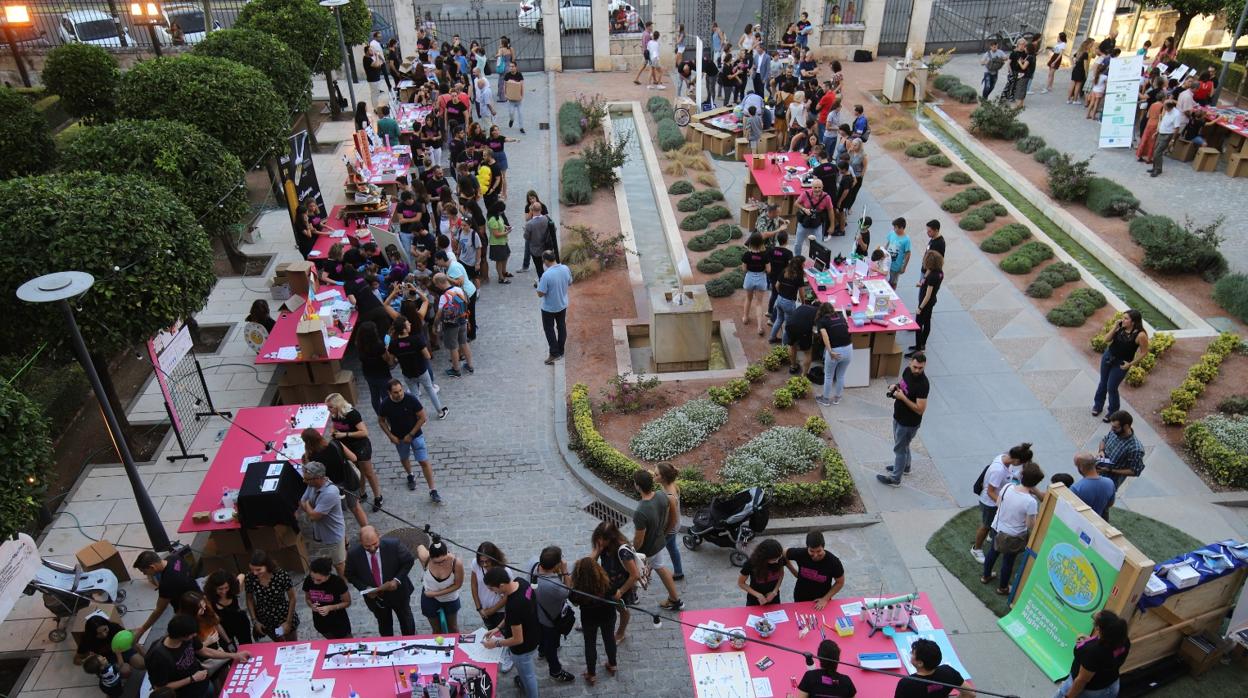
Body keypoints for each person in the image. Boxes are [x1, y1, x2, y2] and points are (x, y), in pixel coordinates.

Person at [146, 615, 249, 698]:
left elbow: (205, 651)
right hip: (185, 693)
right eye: (192, 635)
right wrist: (192, 679)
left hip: (203, 683)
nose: (195, 636)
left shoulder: (189, 637)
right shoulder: (158, 657)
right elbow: (160, 687)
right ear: (182, 636)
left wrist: (234, 655)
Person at [981, 461, 1043, 595]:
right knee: (1008, 562)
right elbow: (1030, 525)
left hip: (997, 528)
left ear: (1021, 475)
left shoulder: (1007, 487)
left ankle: (985, 576)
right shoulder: (1031, 502)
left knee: (992, 552)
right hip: (1014, 535)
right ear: (1035, 483)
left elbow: (998, 503)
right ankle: (1003, 587)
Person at [345, 526, 417, 637]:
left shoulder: (393, 545)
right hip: (376, 599)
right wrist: (364, 588)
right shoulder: (353, 554)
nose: (372, 548)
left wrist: (397, 580)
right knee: (384, 625)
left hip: (399, 594)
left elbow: (408, 561)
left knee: (406, 621)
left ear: (379, 536)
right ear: (361, 541)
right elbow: (350, 575)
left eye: (375, 544)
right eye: (367, 546)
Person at [482, 567, 541, 697]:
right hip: (533, 633)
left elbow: (517, 639)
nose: (492, 592)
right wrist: (498, 628)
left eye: (492, 589)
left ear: (501, 585)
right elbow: (511, 616)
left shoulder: (515, 605)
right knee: (526, 674)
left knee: (528, 676)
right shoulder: (521, 582)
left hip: (522, 648)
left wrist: (495, 643)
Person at [377, 378, 441, 500]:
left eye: (400, 390)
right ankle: (410, 475)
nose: (400, 394)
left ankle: (433, 490)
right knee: (404, 457)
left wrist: (411, 434)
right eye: (396, 392)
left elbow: (422, 417)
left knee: (423, 461)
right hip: (398, 437)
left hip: (416, 435)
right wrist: (390, 435)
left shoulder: (411, 399)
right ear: (389, 393)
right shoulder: (385, 404)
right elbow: (381, 421)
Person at [971, 443, 1033, 564]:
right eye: (1021, 463)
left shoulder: (1004, 457)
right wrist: (1003, 504)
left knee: (993, 523)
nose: (1020, 466)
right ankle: (976, 548)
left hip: (996, 500)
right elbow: (990, 492)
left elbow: (1007, 476)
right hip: (990, 503)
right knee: (985, 526)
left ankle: (990, 536)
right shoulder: (998, 470)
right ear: (1016, 460)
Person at [632, 470, 685, 610]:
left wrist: (632, 550)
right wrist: (664, 533)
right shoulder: (662, 496)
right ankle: (675, 599)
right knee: (660, 568)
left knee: (632, 571)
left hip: (647, 550)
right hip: (659, 543)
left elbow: (639, 540)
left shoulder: (640, 512)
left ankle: (632, 597)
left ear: (637, 486)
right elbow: (672, 518)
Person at [878, 354, 930, 487]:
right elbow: (902, 384)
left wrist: (902, 398)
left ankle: (895, 479)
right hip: (899, 416)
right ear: (909, 364)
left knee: (899, 449)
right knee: (904, 444)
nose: (917, 370)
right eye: (915, 367)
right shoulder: (907, 371)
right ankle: (905, 467)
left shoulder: (923, 385)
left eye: (920, 368)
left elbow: (920, 409)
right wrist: (895, 386)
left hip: (908, 423)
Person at [1054, 610, 1130, 698]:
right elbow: (1106, 655)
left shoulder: (1092, 651)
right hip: (1111, 686)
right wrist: (1091, 641)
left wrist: (1068, 697)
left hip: (1089, 692)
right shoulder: (1124, 641)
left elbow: (1082, 680)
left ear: (1099, 628)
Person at [326, 393, 382, 511]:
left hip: (360, 445)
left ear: (338, 405)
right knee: (357, 471)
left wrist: (345, 434)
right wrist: (333, 432)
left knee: (368, 472)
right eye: (328, 407)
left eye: (330, 407)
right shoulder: (335, 414)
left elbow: (364, 432)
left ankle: (378, 497)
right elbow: (334, 426)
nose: (328, 409)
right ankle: (362, 493)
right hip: (348, 447)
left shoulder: (352, 414)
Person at [568, 557, 618, 686]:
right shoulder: (607, 582)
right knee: (609, 639)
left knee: (590, 644)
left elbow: (574, 601)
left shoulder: (579, 588)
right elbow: (615, 593)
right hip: (608, 615)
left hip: (589, 618)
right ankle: (612, 664)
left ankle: (591, 673)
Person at [528, 546, 574, 683]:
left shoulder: (532, 563)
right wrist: (565, 571)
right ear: (556, 565)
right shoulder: (554, 585)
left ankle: (541, 650)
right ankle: (555, 671)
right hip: (550, 619)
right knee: (551, 645)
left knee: (542, 637)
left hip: (536, 613)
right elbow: (568, 591)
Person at [301, 431, 366, 528]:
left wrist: (306, 456)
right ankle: (367, 530)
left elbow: (308, 474)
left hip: (331, 488)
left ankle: (346, 542)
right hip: (348, 481)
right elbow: (354, 458)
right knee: (356, 507)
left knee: (337, 516)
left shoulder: (311, 458)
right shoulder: (335, 443)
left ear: (307, 443)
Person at [132, 550, 201, 642]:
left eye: (144, 571)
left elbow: (159, 610)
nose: (144, 574)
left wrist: (142, 629)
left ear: (152, 567)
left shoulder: (167, 583)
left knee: (176, 636)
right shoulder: (174, 558)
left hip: (188, 610)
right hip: (198, 595)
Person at [388, 315, 448, 420]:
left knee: (415, 395)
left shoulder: (393, 344)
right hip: (421, 370)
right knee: (430, 389)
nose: (410, 324)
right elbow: (427, 356)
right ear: (404, 329)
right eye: (407, 324)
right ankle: (440, 411)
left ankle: (419, 417)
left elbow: (391, 361)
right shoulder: (416, 339)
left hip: (407, 373)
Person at [1093, 309, 1149, 418]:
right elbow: (1106, 340)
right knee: (1103, 382)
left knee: (1111, 387)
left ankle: (1113, 412)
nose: (1122, 320)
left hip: (1121, 363)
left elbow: (1144, 352)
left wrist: (1130, 364)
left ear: (1133, 322)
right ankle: (1097, 405)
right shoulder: (1120, 328)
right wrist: (1115, 328)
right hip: (1108, 357)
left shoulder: (1140, 335)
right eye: (1123, 318)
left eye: (1126, 318)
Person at [592, 521, 640, 642]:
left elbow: (635, 575)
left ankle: (621, 632)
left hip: (622, 586)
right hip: (607, 582)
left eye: (602, 540)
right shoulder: (602, 545)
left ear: (611, 538)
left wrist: (621, 591)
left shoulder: (622, 551)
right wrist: (597, 551)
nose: (599, 542)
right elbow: (591, 564)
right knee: (600, 602)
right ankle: (595, 621)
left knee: (622, 609)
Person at [299, 461, 347, 577]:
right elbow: (301, 502)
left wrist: (309, 507)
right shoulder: (313, 485)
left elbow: (313, 516)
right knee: (335, 559)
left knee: (339, 563)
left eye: (307, 479)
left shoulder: (330, 493)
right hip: (323, 531)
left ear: (318, 478)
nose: (304, 481)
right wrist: (310, 508)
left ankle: (345, 584)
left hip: (333, 533)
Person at [1098, 411, 1146, 516]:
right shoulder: (1114, 432)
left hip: (1111, 480)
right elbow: (1104, 440)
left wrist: (1111, 470)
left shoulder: (1135, 448)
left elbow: (1135, 471)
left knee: (1102, 507)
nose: (1112, 429)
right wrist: (1101, 451)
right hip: (1098, 471)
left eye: (1115, 427)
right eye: (1112, 427)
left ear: (1126, 426)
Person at [244, 551, 298, 641]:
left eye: (258, 570)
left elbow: (292, 598)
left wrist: (288, 622)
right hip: (265, 619)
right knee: (279, 644)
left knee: (291, 643)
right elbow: (249, 599)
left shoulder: (281, 575)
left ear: (267, 566)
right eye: (252, 569)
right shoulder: (250, 577)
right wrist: (255, 621)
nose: (254, 573)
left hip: (282, 616)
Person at [895, 637, 974, 697]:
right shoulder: (949, 672)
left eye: (912, 653)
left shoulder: (906, 684)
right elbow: (971, 694)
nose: (910, 654)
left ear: (920, 663)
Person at [414, 539, 464, 633]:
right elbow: (419, 546)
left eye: (443, 560)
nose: (440, 564)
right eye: (436, 562)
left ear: (447, 553)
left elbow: (458, 585)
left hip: (449, 597)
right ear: (430, 557)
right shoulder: (425, 558)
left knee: (453, 628)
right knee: (436, 630)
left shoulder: (456, 563)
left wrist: (435, 593)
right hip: (429, 598)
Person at [785, 532, 846, 609]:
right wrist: (793, 570)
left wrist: (825, 599)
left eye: (819, 551)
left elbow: (840, 582)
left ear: (823, 547)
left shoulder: (833, 562)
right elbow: (783, 553)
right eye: (812, 551)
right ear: (807, 547)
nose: (815, 555)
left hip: (821, 599)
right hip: (800, 596)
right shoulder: (800, 553)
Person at [76, 614, 145, 677]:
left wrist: (136, 642)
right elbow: (77, 659)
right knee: (125, 671)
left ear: (107, 624)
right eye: (98, 634)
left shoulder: (114, 627)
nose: (104, 635)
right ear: (92, 634)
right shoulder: (87, 640)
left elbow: (128, 637)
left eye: (105, 630)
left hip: (123, 649)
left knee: (142, 664)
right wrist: (90, 662)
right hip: (107, 658)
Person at [433, 272, 474, 376]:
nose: (436, 286)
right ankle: (469, 365)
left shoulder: (444, 297)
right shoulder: (458, 289)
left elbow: (439, 314)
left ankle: (456, 369)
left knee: (453, 347)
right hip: (463, 320)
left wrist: (435, 325)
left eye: (436, 284)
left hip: (451, 325)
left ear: (439, 283)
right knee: (464, 343)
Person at [303, 556, 352, 640]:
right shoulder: (308, 580)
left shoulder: (337, 582)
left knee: (347, 642)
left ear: (327, 575)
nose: (314, 582)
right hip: (321, 622)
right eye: (312, 578)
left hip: (338, 622)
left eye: (319, 580)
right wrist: (312, 605)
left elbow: (347, 602)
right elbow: (308, 598)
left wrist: (330, 607)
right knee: (331, 643)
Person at [536, 250, 572, 364]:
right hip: (562, 304)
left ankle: (554, 353)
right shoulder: (565, 268)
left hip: (549, 308)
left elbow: (540, 293)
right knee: (561, 327)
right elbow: (570, 282)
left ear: (546, 260)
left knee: (549, 329)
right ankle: (561, 351)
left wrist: (538, 283)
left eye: (543, 261)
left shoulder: (546, 275)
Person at [815, 303, 853, 407]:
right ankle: (837, 398)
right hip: (849, 348)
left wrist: (830, 351)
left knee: (828, 376)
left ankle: (826, 399)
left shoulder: (821, 321)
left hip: (835, 350)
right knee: (840, 375)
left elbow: (824, 335)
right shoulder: (841, 317)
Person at [909, 250, 943, 357]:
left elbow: (928, 295)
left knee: (918, 324)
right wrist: (922, 284)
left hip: (926, 302)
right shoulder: (939, 272)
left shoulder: (933, 275)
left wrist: (920, 307)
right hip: (932, 301)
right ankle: (922, 344)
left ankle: (918, 348)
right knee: (927, 322)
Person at [655, 463, 685, 581]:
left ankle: (644, 574)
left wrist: (664, 533)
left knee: (653, 551)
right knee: (672, 548)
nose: (654, 476)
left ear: (663, 478)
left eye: (656, 474)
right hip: (674, 527)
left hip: (670, 529)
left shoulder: (670, 496)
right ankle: (678, 571)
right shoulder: (671, 485)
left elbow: (672, 520)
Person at [738, 538, 786, 606]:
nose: (777, 561)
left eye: (779, 557)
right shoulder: (751, 563)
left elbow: (781, 574)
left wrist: (774, 591)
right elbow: (741, 583)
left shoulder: (779, 558)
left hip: (773, 597)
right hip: (754, 599)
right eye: (774, 559)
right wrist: (758, 595)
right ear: (764, 558)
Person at [770, 256, 806, 344]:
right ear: (800, 265)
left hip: (779, 299)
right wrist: (803, 303)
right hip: (789, 303)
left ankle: (772, 338)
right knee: (788, 325)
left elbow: (777, 286)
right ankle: (784, 346)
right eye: (803, 263)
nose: (805, 265)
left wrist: (781, 294)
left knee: (779, 319)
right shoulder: (799, 276)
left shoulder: (785, 271)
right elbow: (801, 293)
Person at [1071, 453, 1116, 519]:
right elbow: (1110, 504)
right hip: (1098, 520)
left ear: (1081, 467)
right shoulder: (1110, 482)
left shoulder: (1076, 488)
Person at [793, 180, 832, 255]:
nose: (817, 189)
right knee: (798, 243)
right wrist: (804, 209)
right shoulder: (805, 194)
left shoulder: (826, 197)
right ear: (812, 187)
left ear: (823, 187)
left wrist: (832, 225)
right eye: (815, 187)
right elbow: (796, 203)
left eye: (819, 187)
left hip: (817, 224)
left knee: (819, 245)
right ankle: (797, 259)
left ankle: (818, 260)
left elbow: (830, 211)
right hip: (804, 223)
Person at [742, 233, 770, 336]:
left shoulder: (746, 255)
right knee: (759, 303)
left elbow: (744, 269)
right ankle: (759, 327)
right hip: (761, 278)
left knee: (748, 298)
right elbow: (769, 270)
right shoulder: (765, 255)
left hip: (749, 277)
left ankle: (745, 317)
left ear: (750, 242)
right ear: (761, 243)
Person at [885, 217, 911, 288]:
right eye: (894, 227)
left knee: (892, 283)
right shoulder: (892, 233)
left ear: (902, 228)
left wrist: (904, 267)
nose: (894, 229)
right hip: (887, 263)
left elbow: (908, 254)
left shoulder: (906, 240)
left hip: (896, 266)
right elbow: (887, 244)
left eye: (896, 227)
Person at [1001, 38, 1029, 104]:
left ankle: (1012, 97)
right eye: (1021, 44)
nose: (1022, 46)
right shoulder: (1014, 53)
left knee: (1016, 85)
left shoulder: (1025, 53)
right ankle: (1003, 98)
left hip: (1020, 72)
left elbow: (1025, 62)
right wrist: (1010, 72)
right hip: (1013, 71)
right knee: (1009, 85)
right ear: (1018, 44)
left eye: (1023, 44)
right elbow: (1008, 63)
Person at [1068, 38, 1094, 104]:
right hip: (1081, 70)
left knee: (1072, 85)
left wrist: (1073, 64)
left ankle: (1068, 99)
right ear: (1087, 45)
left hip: (1075, 69)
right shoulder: (1085, 54)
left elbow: (1071, 57)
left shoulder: (1079, 52)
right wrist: (1086, 73)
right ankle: (1075, 100)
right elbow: (1085, 65)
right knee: (1078, 86)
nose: (1091, 46)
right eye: (1091, 44)